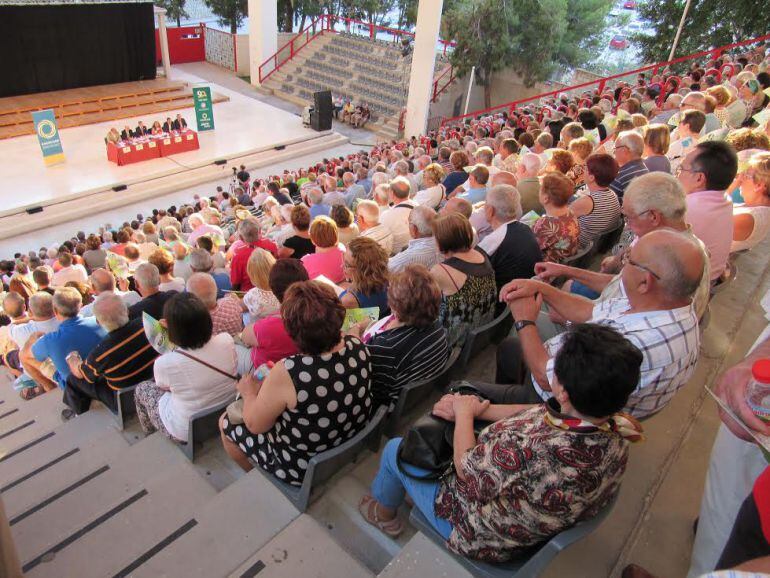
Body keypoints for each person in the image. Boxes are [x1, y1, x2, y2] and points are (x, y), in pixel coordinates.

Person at [359, 323, 643, 557]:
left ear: (564, 393)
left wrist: (464, 414)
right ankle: (413, 494)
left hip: (481, 531)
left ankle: (384, 516)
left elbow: (467, 474)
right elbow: (540, 412)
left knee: (395, 450)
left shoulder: (531, 449)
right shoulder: (616, 435)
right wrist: (477, 407)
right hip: (528, 515)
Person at [497, 229, 702, 418]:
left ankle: (510, 426)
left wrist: (524, 321)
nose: (622, 265)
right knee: (509, 349)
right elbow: (590, 311)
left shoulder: (634, 344)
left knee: (467, 390)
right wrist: (539, 288)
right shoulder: (660, 303)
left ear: (645, 282)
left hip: (557, 407)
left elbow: (547, 379)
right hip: (563, 371)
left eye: (628, 259)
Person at [220, 280, 374, 484]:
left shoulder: (288, 371)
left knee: (225, 422)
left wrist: (248, 393)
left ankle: (261, 477)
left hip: (300, 467)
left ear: (291, 330)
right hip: (350, 437)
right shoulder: (358, 345)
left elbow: (254, 425)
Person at [134, 293, 236, 442]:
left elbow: (163, 386)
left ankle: (149, 434)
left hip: (186, 430)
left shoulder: (165, 363)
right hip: (227, 410)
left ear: (173, 330)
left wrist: (171, 334)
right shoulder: (226, 340)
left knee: (142, 388)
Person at [362, 265, 450, 410]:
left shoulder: (385, 345)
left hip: (391, 409)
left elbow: (374, 390)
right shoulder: (436, 326)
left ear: (394, 306)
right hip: (421, 396)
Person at [62, 294, 158, 418]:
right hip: (156, 383)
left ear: (98, 322)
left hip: (125, 403)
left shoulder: (100, 353)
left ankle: (78, 414)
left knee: (73, 379)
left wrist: (72, 359)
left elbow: (80, 374)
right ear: (127, 311)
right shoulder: (147, 324)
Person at [21, 287, 106, 392]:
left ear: (55, 311)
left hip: (77, 391)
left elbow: (30, 354)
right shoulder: (99, 321)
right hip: (105, 378)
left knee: (23, 355)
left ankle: (48, 387)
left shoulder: (49, 340)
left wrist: (30, 341)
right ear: (80, 305)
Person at [430, 213, 497, 347]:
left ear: (443, 239)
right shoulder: (481, 253)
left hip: (454, 342)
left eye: (435, 236)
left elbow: (424, 306)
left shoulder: (441, 271)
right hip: (480, 332)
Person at [677, 140, 738, 281]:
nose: (678, 175)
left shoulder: (682, 210)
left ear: (699, 178)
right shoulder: (724, 199)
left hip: (684, 291)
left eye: (681, 169)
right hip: (708, 283)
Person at [239, 259, 307, 374]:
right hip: (301, 367)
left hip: (269, 370)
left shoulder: (270, 325)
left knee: (232, 347)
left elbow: (245, 336)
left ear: (273, 289)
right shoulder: (320, 311)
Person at [477, 185, 542, 291]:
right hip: (528, 292)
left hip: (506, 299)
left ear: (490, 210)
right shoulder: (525, 228)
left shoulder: (491, 243)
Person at [570, 153, 621, 249]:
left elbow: (558, 219)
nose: (583, 171)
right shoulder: (612, 194)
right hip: (594, 248)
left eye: (585, 168)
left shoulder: (587, 202)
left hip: (577, 248)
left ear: (591, 177)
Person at [533, 173, 580, 263]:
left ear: (546, 198)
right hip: (566, 261)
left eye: (540, 188)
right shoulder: (570, 213)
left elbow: (530, 248)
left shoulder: (544, 224)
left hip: (549, 268)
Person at [340, 236, 390, 316]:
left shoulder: (349, 300)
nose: (342, 266)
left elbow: (348, 326)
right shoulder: (388, 282)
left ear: (362, 271)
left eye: (347, 264)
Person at [732, 152, 770, 252]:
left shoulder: (749, 217)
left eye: (746, 175)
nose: (740, 178)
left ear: (759, 185)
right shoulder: (753, 209)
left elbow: (706, 224)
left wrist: (728, 188)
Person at [388, 206, 442, 273]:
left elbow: (387, 268)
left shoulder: (407, 258)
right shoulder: (446, 243)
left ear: (414, 229)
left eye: (409, 222)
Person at [230, 219, 279, 291]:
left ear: (240, 237)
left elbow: (235, 284)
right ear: (259, 232)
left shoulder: (238, 257)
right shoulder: (271, 245)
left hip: (248, 293)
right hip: (272, 288)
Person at [301, 216, 346, 283]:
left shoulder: (305, 261)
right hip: (342, 288)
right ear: (336, 234)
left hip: (320, 291)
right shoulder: (342, 249)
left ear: (312, 239)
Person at [242, 248, 280, 322]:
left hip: (257, 330)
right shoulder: (283, 288)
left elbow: (241, 308)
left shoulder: (252, 294)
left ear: (252, 275)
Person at [609, 131, 649, 200]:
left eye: (615, 148)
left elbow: (606, 203)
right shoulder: (643, 168)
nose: (614, 152)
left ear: (624, 150)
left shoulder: (620, 175)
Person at [381, 178, 417, 254]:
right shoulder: (418, 206)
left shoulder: (387, 215)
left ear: (392, 193)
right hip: (416, 249)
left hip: (396, 254)